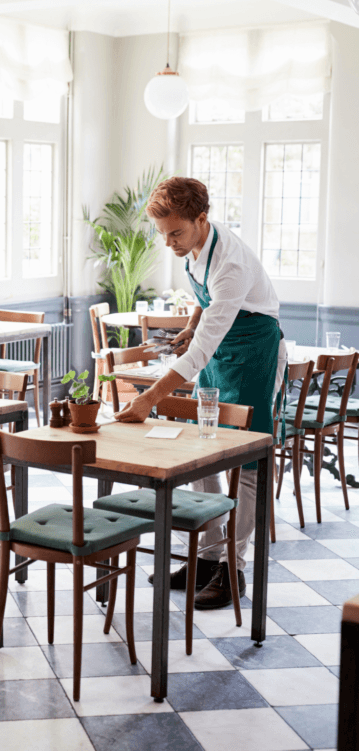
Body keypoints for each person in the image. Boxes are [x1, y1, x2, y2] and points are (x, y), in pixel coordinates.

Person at [115, 176, 286, 609]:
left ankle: (234, 570)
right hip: (222, 346)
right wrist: (192, 323)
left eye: (176, 232)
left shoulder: (231, 263)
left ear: (201, 219)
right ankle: (207, 558)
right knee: (204, 443)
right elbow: (207, 302)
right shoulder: (195, 245)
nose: (169, 243)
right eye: (163, 234)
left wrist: (148, 398)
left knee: (246, 459)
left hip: (253, 351)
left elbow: (203, 347)